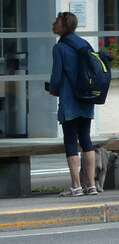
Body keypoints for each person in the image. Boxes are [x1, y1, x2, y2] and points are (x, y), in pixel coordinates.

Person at [48, 11, 99, 196]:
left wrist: (54, 89)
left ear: (64, 26)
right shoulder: (84, 44)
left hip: (69, 98)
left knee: (70, 139)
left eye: (56, 22)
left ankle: (76, 186)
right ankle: (91, 185)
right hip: (86, 98)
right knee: (86, 139)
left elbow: (56, 76)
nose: (53, 24)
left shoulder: (59, 48)